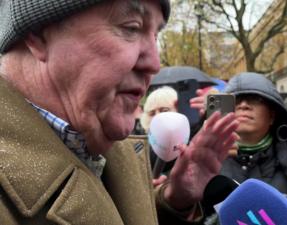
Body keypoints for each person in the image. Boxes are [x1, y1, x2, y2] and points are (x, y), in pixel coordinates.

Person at [0, 1, 239, 224]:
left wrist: (173, 201)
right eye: (131, 28)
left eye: (156, 36)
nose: (154, 64)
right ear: (40, 34)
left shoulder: (104, 146)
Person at [220, 72, 287, 195]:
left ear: (272, 116)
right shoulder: (209, 159)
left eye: (255, 99)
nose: (243, 105)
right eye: (235, 100)